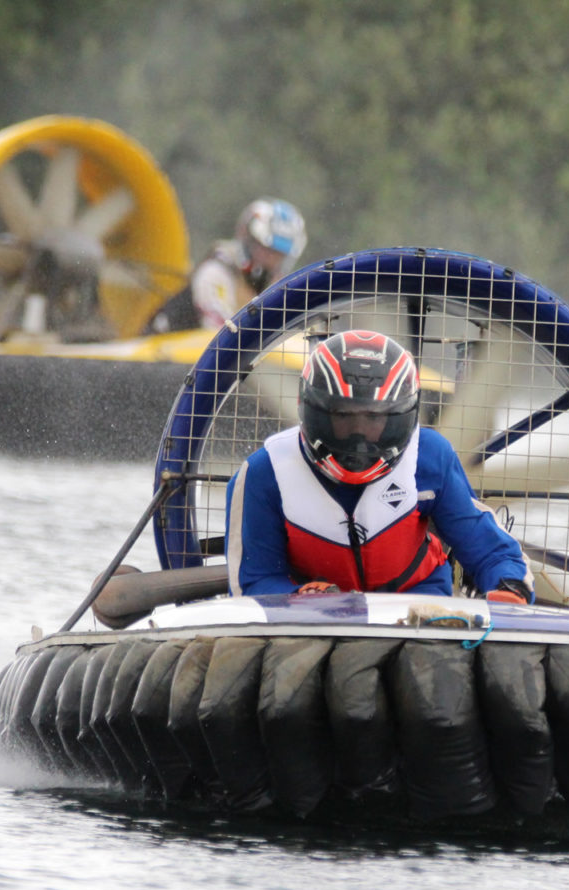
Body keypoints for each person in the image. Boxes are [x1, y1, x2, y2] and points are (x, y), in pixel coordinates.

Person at [225, 329, 535, 603]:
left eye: (374, 418)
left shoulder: (428, 456)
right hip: (314, 619)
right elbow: (253, 581)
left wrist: (508, 585)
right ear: (310, 410)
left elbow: (488, 548)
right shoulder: (267, 472)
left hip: (420, 614)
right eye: (344, 417)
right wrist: (303, 599)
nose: (359, 436)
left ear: (402, 417)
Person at [148, 198, 308, 332]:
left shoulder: (271, 287)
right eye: (266, 250)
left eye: (278, 255)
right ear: (249, 240)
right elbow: (220, 334)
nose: (271, 260)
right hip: (164, 356)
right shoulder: (216, 272)